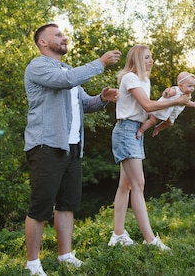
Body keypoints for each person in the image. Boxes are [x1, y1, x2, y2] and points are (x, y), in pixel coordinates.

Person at [23, 23, 121, 276]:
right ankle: (32, 264)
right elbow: (66, 82)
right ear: (43, 42)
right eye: (57, 35)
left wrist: (101, 98)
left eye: (63, 34)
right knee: (40, 206)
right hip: (46, 146)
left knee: (67, 204)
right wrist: (100, 63)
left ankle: (65, 255)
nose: (64, 37)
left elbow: (83, 103)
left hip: (73, 147)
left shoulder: (69, 70)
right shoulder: (38, 67)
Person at [108, 45, 192, 251]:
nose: (151, 61)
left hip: (135, 131)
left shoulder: (144, 81)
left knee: (126, 185)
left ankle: (117, 234)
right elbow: (147, 106)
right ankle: (150, 240)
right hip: (126, 131)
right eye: (147, 57)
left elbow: (150, 109)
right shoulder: (130, 78)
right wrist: (176, 100)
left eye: (151, 57)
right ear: (137, 59)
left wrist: (170, 106)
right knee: (139, 184)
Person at [136, 71, 195, 138]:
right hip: (163, 109)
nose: (192, 88)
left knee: (170, 123)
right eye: (190, 86)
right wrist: (166, 93)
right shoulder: (175, 91)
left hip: (172, 113)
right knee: (153, 121)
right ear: (181, 85)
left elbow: (186, 102)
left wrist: (193, 104)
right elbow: (166, 95)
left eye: (193, 86)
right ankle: (141, 130)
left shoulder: (187, 95)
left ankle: (158, 128)